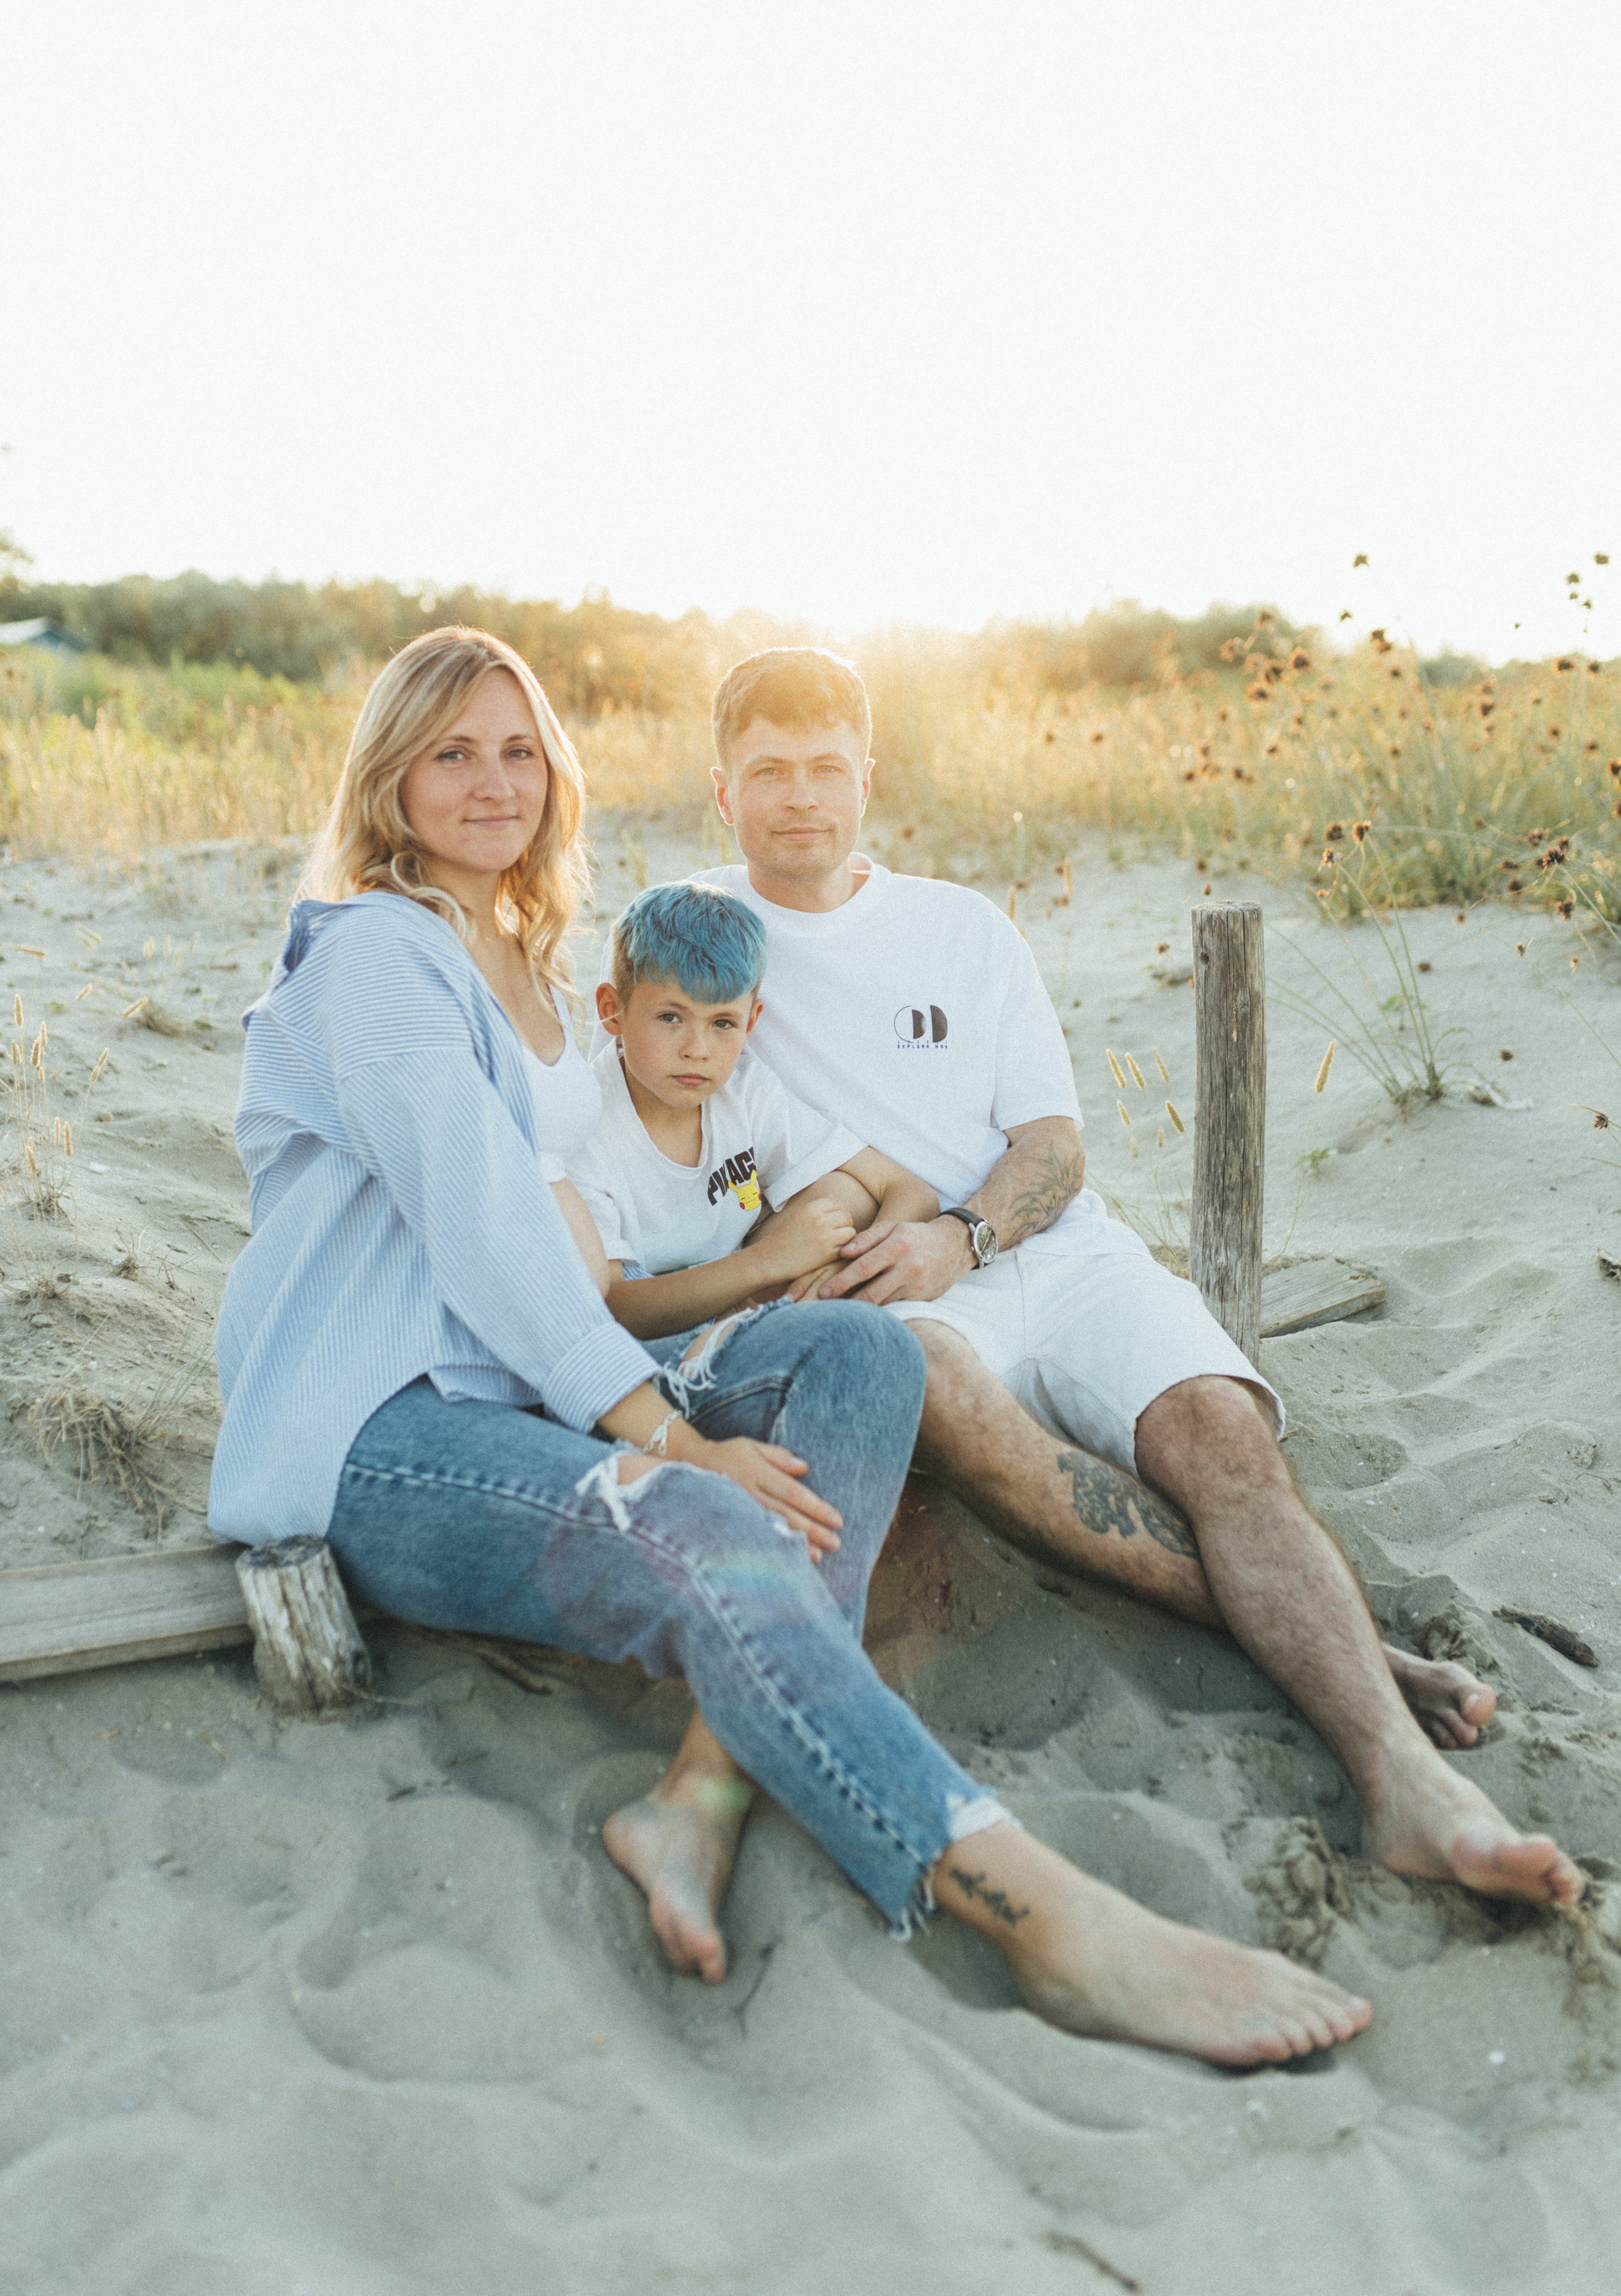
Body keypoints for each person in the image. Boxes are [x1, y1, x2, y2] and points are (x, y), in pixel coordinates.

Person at [211, 623, 1376, 2069]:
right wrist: (664, 1427)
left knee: (864, 1358)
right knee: (703, 1508)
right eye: (449, 750)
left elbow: (626, 1188)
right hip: (385, 1429)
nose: (491, 778)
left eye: (519, 747)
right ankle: (1039, 1909)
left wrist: (800, 1254)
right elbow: (485, 1234)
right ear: (389, 777)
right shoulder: (378, 956)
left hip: (531, 1400)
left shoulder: (520, 957)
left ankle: (695, 1794)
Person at [686, 644, 1582, 1917]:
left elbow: (1051, 1149)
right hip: (898, 1304)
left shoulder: (960, 928)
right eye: (765, 773)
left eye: (823, 770)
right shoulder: (695, 937)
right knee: (924, 1370)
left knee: (1219, 1434)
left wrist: (969, 1234)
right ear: (720, 791)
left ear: (865, 779)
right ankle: (1359, 1664)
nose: (797, 799)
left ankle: (1406, 1786)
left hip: (1039, 1249)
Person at [571, 877, 940, 1339]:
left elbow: (908, 1191)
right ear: (612, 1010)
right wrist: (766, 1262)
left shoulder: (744, 1089)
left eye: (723, 1022)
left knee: (843, 1196)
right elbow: (612, 1308)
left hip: (739, 1297)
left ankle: (746, 1327)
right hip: (641, 1342)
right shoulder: (583, 1124)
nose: (698, 1050)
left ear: (752, 1022)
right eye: (670, 1017)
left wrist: (850, 1276)